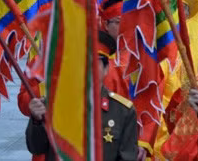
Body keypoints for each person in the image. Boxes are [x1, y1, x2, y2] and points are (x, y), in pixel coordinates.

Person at [26, 32, 139, 160]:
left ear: (107, 68)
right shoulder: (53, 104)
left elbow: (127, 157)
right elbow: (36, 148)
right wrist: (36, 120)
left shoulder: (123, 111)